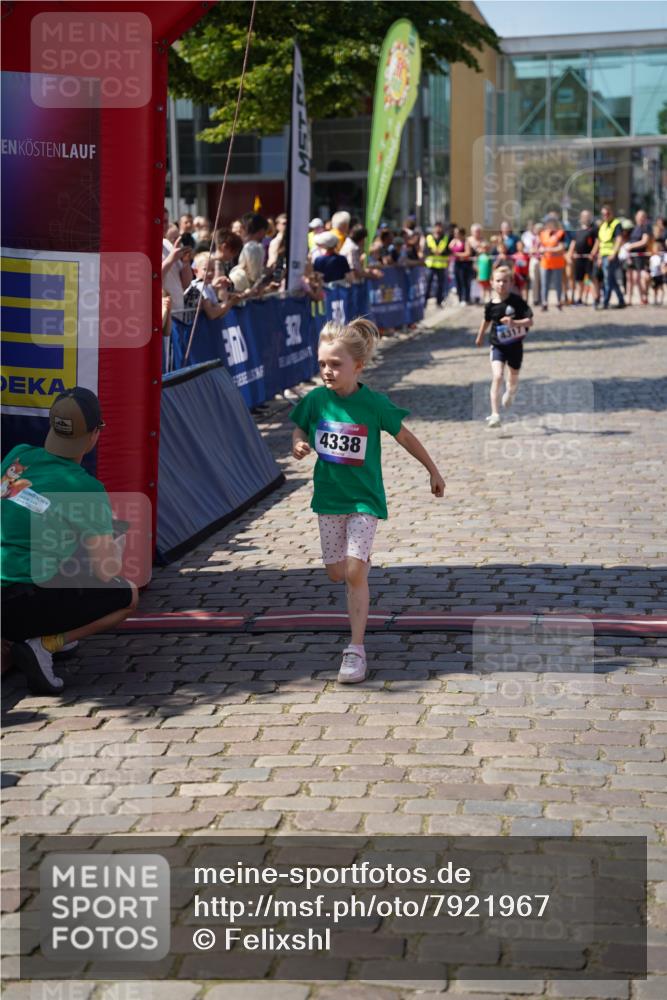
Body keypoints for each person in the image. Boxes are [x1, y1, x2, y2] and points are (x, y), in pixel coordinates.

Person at [290, 318, 445, 683]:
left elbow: (405, 437)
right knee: (336, 572)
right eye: (322, 363)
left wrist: (432, 470)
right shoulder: (315, 400)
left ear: (357, 366)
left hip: (364, 499)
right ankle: (358, 565)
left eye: (335, 364)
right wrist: (297, 442)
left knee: (355, 572)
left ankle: (355, 650)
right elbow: (298, 424)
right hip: (328, 498)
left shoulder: (373, 403)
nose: (327, 371)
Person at [1, 388, 139, 694]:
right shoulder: (86, 489)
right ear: (95, 434)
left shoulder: (17, 457)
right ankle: (46, 644)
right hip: (22, 601)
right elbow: (107, 571)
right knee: (127, 594)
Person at [475, 263, 534, 428]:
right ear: (492, 283)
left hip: (515, 347)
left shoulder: (517, 302)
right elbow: (486, 321)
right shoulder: (490, 305)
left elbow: (530, 321)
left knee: (513, 378)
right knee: (498, 376)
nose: (502, 284)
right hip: (498, 346)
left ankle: (510, 392)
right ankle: (495, 414)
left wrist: (514, 322)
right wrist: (480, 337)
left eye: (505, 281)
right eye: (498, 281)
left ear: (511, 283)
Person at [597, 203, 625, 309]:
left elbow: (618, 239)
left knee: (607, 280)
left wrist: (613, 253)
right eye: (603, 214)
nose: (605, 216)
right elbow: (601, 242)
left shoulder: (616, 224)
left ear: (611, 213)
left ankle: (605, 302)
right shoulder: (602, 226)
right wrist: (599, 257)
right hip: (603, 255)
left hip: (610, 256)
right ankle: (621, 300)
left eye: (607, 214)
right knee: (611, 280)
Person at [568, 210, 599, 306]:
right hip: (578, 258)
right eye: (583, 216)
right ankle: (579, 299)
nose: (585, 218)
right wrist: (570, 253)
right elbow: (573, 242)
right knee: (579, 280)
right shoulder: (577, 229)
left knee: (591, 279)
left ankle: (595, 299)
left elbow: (598, 242)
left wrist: (593, 253)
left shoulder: (593, 229)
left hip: (589, 258)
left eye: (587, 216)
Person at [539, 215, 566, 311]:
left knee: (558, 284)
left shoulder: (560, 233)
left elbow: (561, 247)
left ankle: (559, 302)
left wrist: (548, 249)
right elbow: (540, 246)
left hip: (557, 263)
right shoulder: (543, 234)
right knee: (544, 284)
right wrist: (541, 250)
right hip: (545, 262)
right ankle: (544, 303)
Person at [626, 209, 652, 305]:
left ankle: (643, 297)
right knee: (630, 278)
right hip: (631, 256)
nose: (640, 218)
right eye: (639, 216)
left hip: (640, 256)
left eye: (642, 217)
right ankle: (629, 299)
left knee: (640, 278)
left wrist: (631, 246)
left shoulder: (646, 228)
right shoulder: (633, 228)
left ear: (645, 218)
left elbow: (644, 242)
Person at [423, 221, 450, 308]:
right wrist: (432, 251)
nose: (438, 229)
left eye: (440, 227)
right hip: (430, 265)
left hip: (441, 265)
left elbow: (448, 251)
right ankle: (424, 302)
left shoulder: (445, 238)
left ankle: (439, 302)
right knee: (428, 284)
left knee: (440, 285)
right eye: (437, 227)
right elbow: (425, 251)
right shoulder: (429, 237)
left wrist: (441, 253)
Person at [450, 227, 473, 305]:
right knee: (458, 281)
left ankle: (466, 298)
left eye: (457, 233)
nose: (455, 234)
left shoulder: (466, 241)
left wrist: (457, 254)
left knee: (464, 282)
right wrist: (454, 241)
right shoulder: (455, 241)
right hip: (457, 263)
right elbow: (450, 248)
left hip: (465, 264)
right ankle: (460, 298)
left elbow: (468, 253)